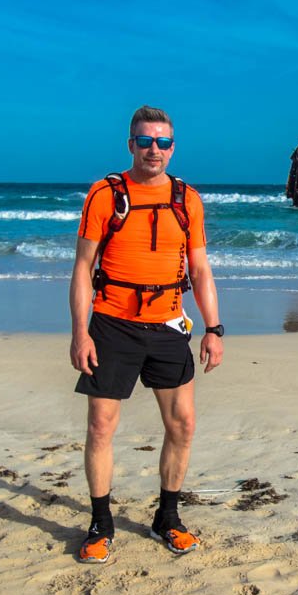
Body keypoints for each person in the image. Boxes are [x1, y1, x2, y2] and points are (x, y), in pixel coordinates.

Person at [69, 105, 224, 564]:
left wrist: (214, 328)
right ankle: (101, 524)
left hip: (168, 326)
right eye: (145, 141)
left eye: (162, 142)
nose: (153, 150)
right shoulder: (104, 194)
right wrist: (80, 333)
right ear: (131, 144)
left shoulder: (187, 199)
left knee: (183, 425)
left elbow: (200, 269)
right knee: (101, 426)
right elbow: (83, 268)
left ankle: (167, 518)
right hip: (112, 324)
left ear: (172, 148)